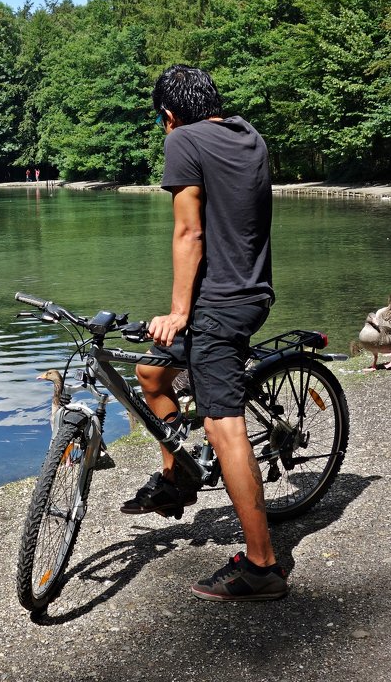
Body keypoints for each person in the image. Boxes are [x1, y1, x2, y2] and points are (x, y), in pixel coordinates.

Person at [122, 64, 287, 602]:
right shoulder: (249, 135)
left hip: (221, 304)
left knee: (223, 425)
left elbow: (189, 229)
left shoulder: (183, 140)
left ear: (169, 116)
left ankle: (261, 567)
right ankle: (180, 477)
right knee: (151, 373)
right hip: (251, 292)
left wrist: (176, 311)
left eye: (161, 120)